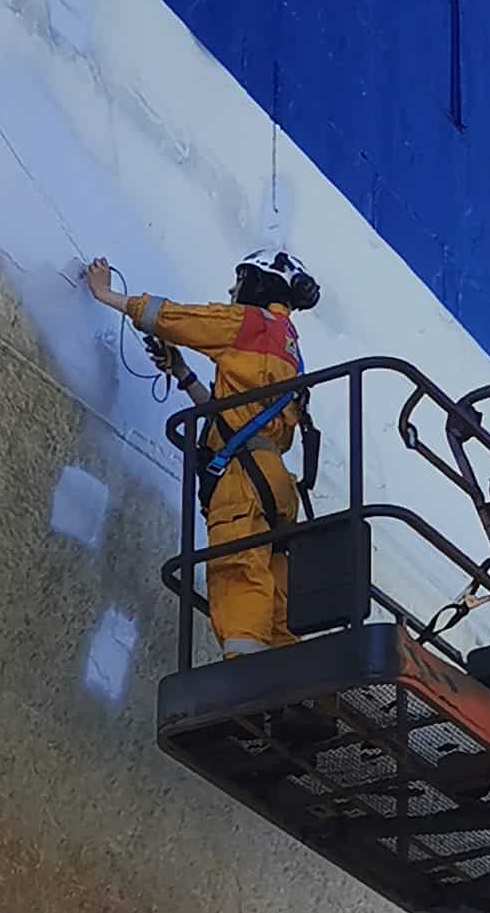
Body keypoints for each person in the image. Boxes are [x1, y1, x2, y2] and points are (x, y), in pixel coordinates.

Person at [84, 248, 322, 653]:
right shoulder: (289, 349)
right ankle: (294, 695)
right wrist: (181, 372)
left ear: (260, 283)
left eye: (240, 279)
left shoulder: (247, 322)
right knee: (275, 591)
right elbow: (230, 416)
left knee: (237, 573)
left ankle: (245, 684)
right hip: (277, 483)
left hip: (243, 482)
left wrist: (108, 295)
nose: (232, 288)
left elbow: (177, 318)